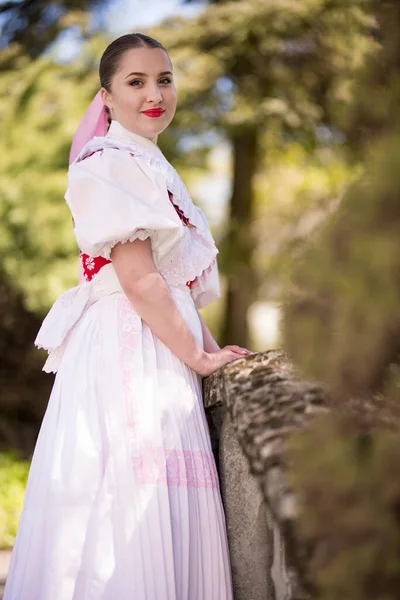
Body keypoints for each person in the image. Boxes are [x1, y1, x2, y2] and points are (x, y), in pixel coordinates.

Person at [4, 33, 250, 600]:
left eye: (164, 79)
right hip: (129, 352)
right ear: (107, 97)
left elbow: (177, 289)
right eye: (135, 82)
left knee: (161, 505)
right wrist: (199, 355)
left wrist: (214, 350)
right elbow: (139, 279)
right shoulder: (110, 164)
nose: (154, 93)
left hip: (160, 348)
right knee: (129, 509)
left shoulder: (152, 164)